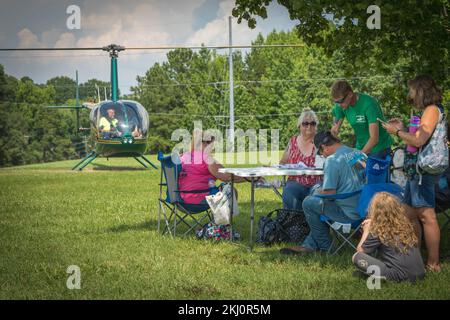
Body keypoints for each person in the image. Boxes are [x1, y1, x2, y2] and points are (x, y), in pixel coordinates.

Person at [382, 75, 447, 272]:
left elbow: (418, 141)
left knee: (427, 216)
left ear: (420, 90)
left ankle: (433, 264)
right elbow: (418, 138)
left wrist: (396, 133)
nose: (409, 94)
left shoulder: (431, 110)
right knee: (409, 215)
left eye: (411, 90)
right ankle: (415, 257)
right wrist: (402, 128)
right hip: (417, 171)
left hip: (423, 172)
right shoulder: (429, 111)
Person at [280, 131, 366, 254]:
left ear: (324, 148)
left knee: (309, 203)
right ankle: (309, 244)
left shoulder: (332, 160)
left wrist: (315, 193)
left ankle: (326, 246)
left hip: (348, 212)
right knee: (317, 189)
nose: (322, 155)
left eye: (320, 153)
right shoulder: (357, 152)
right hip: (364, 208)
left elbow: (330, 193)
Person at [352, 192, 425, 282]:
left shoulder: (378, 229)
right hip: (420, 273)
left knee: (357, 257)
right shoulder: (405, 224)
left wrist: (367, 230)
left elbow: (361, 251)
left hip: (401, 276)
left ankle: (382, 276)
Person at [178, 130, 247, 207]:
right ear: (205, 143)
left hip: (179, 200)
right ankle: (223, 218)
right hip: (198, 200)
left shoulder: (183, 157)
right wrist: (249, 178)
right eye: (212, 144)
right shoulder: (206, 158)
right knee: (230, 190)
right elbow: (227, 176)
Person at [330, 80, 392, 159]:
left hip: (379, 148)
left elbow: (374, 139)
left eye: (340, 101)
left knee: (367, 169)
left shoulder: (369, 104)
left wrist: (359, 157)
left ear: (350, 94)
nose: (338, 105)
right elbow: (334, 130)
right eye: (335, 102)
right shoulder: (340, 105)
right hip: (361, 146)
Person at [279, 109, 322, 211]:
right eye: (305, 123)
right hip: (295, 182)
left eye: (312, 123)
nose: (309, 126)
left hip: (316, 182)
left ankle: (313, 222)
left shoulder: (320, 142)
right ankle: (299, 220)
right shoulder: (293, 142)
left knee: (319, 192)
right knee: (289, 191)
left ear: (316, 126)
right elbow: (282, 163)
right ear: (299, 125)